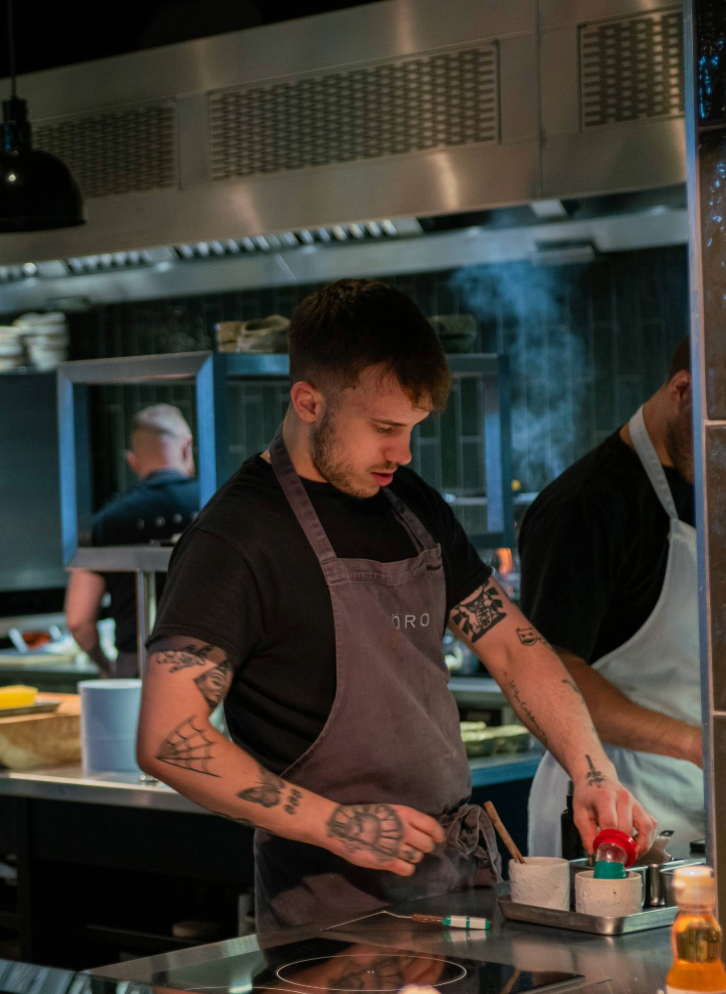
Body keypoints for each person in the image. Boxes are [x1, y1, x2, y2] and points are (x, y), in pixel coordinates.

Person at [136, 278, 656, 933]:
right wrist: (336, 823)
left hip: (455, 891)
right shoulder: (235, 539)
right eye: (385, 428)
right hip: (332, 918)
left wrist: (593, 771)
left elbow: (511, 645)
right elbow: (167, 737)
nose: (403, 454)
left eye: (412, 429)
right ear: (308, 401)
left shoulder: (411, 504)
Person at [520, 339, 699, 858]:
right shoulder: (584, 507)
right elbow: (547, 671)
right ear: (682, 390)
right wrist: (693, 743)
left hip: (698, 800)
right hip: (616, 811)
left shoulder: (706, 482)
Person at [64, 404, 199, 677]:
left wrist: (105, 665)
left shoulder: (108, 521)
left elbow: (78, 620)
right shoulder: (217, 504)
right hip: (209, 665)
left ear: (133, 461)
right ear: (187, 446)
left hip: (136, 665)